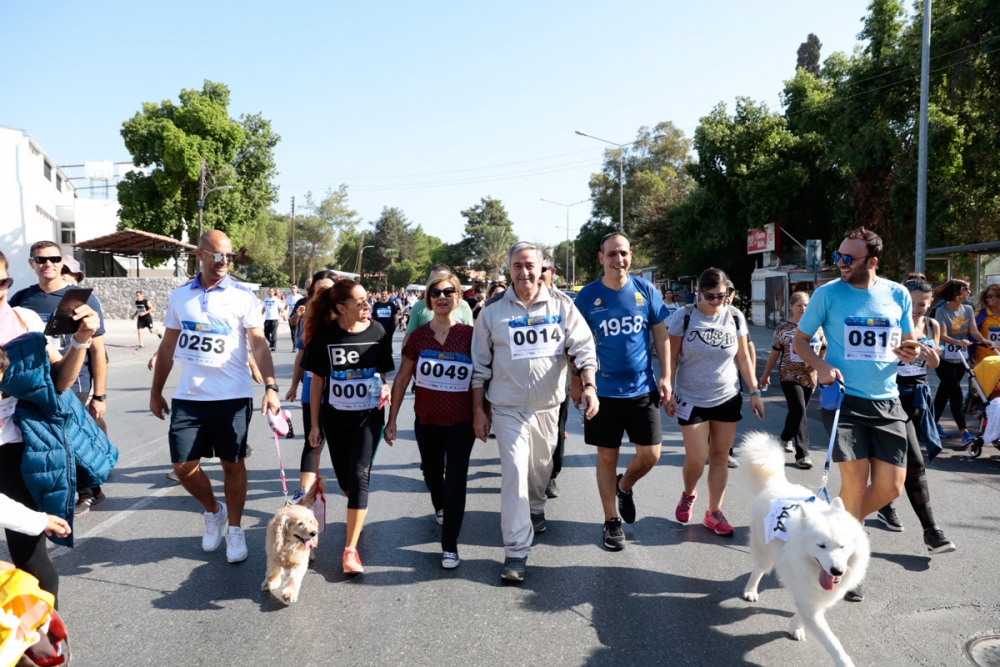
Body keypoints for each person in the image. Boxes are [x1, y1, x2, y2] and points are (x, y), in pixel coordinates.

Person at [793, 226, 921, 603]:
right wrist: (819, 365)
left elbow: (908, 339)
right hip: (844, 400)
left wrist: (911, 350)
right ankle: (847, 564)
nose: (841, 264)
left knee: (891, 486)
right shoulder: (827, 294)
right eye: (838, 257)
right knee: (853, 484)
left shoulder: (896, 293)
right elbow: (800, 340)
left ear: (872, 261)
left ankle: (830, 531)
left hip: (887, 400)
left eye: (848, 259)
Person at [149, 231, 281, 564]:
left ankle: (235, 529)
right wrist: (156, 391)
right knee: (182, 467)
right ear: (200, 254)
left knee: (232, 464)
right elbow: (167, 347)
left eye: (229, 257)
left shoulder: (243, 296)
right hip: (189, 397)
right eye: (218, 255)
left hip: (232, 396)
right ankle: (214, 511)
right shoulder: (180, 297)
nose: (224, 262)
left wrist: (270, 384)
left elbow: (259, 343)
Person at [471, 241, 598, 582]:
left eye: (530, 265)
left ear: (541, 268)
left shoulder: (562, 305)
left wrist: (588, 386)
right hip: (507, 408)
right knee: (513, 472)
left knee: (540, 470)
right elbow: (480, 366)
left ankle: (537, 507)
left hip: (547, 407)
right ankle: (515, 552)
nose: (524, 272)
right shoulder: (492, 311)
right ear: (508, 269)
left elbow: (583, 348)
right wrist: (479, 413)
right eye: (517, 265)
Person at [0, 250, 102, 604]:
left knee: (29, 557)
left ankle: (44, 642)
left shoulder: (24, 319)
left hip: (19, 447)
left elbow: (60, 381)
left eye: (1, 282)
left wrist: (82, 340)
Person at [574, 233, 671, 550]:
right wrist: (579, 386)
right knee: (606, 456)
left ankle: (625, 485)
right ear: (600, 258)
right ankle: (611, 521)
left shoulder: (646, 290)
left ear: (631, 256)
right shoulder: (587, 297)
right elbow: (573, 346)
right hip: (602, 393)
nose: (619, 259)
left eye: (624, 253)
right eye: (612, 254)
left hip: (642, 389)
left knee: (651, 455)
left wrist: (667, 375)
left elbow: (661, 333)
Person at [301, 278, 394, 575]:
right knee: (346, 481)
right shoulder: (325, 338)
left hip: (368, 418)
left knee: (359, 475)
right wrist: (314, 426)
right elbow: (317, 384)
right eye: (361, 302)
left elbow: (382, 374)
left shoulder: (378, 332)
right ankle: (357, 508)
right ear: (341, 308)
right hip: (336, 419)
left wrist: (384, 387)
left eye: (367, 299)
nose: (368, 306)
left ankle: (350, 551)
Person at [10, 241, 110, 517]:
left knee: (67, 439)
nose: (48, 264)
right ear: (32, 263)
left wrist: (99, 394)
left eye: (54, 258)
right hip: (34, 385)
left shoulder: (81, 299)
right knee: (43, 441)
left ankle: (90, 491)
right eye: (41, 260)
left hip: (73, 382)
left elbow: (99, 350)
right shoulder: (21, 299)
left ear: (61, 262)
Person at [385, 270, 475, 569]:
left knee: (457, 481)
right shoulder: (418, 337)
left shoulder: (470, 336)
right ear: (427, 298)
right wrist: (392, 419)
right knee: (432, 473)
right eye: (435, 292)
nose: (441, 297)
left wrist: (482, 413)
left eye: (448, 292)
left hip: (462, 422)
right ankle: (439, 504)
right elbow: (401, 379)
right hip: (427, 420)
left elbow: (480, 379)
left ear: (457, 296)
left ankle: (450, 545)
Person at [666, 268, 763, 537]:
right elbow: (671, 357)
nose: (717, 301)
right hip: (691, 397)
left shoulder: (734, 315)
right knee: (697, 458)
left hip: (727, 395)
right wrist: (669, 390)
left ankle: (714, 512)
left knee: (720, 456)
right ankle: (688, 493)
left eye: (722, 295)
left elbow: (743, 357)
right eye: (711, 296)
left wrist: (754, 391)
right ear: (700, 291)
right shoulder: (683, 316)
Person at [874, 276, 956, 554]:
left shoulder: (933, 325)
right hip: (889, 395)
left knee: (898, 459)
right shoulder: (890, 323)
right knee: (913, 461)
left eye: (922, 303)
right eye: (912, 303)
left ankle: (883, 502)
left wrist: (925, 353)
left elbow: (934, 363)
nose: (917, 308)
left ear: (931, 302)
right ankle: (932, 531)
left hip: (918, 395)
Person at [759, 291, 826, 469]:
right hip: (789, 375)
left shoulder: (817, 327)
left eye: (806, 305)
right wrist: (765, 376)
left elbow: (823, 349)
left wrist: (822, 368)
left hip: (810, 376)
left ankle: (784, 438)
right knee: (799, 409)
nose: (803, 308)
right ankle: (802, 454)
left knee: (797, 412)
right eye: (799, 305)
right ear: (790, 307)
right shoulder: (783, 329)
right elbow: (774, 354)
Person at [285, 270, 337, 493]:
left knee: (342, 447)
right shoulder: (309, 321)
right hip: (312, 392)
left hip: (342, 395)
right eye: (319, 289)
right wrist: (294, 385)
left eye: (329, 289)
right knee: (313, 442)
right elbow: (301, 356)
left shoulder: (349, 318)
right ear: (313, 291)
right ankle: (303, 496)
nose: (324, 294)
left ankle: (355, 500)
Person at [932, 278, 994, 444]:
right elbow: (943, 335)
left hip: (961, 358)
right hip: (944, 358)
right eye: (965, 289)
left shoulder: (968, 309)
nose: (968, 292)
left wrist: (983, 340)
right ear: (955, 292)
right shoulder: (942, 311)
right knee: (956, 394)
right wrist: (957, 342)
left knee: (943, 393)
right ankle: (964, 431)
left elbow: (973, 331)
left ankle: (931, 425)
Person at [538, 255, 571, 501]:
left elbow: (578, 343)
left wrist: (584, 383)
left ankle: (550, 476)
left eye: (542, 269)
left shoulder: (564, 303)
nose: (536, 274)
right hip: (519, 386)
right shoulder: (509, 303)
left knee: (555, 432)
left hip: (557, 382)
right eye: (531, 268)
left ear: (553, 271)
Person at [403, 265, 474, 346]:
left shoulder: (464, 306)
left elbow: (471, 340)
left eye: (448, 292)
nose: (441, 296)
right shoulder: (418, 307)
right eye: (433, 280)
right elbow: (408, 342)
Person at [974, 283, 1000, 365]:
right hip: (983, 363)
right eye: (989, 296)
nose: (992, 298)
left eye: (997, 295)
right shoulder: (977, 316)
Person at [286, 285, 303, 350]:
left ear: (297, 289)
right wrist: (283, 313)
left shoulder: (300, 297)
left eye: (294, 288)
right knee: (293, 332)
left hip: (299, 316)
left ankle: (296, 345)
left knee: (297, 331)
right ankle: (294, 344)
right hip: (291, 317)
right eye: (291, 288)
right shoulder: (288, 297)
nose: (292, 289)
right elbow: (286, 306)